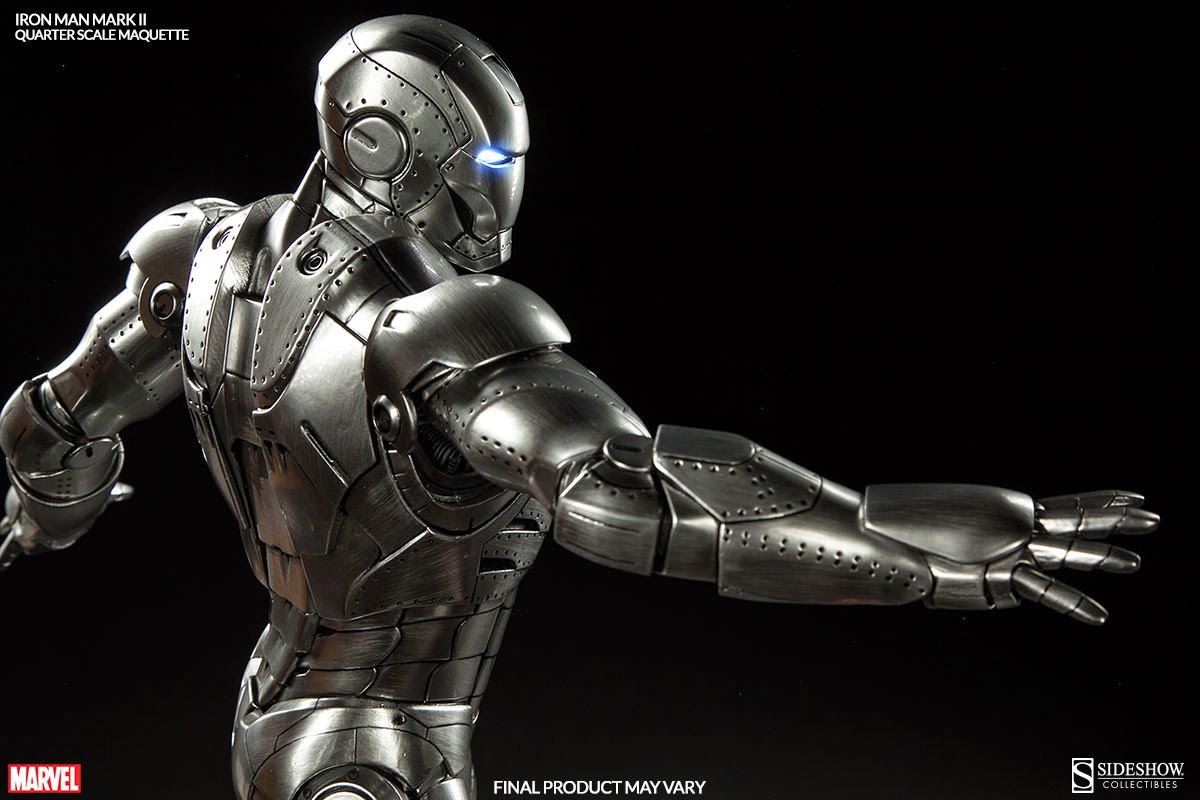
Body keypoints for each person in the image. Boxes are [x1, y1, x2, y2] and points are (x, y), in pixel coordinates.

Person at [0, 15, 1158, 800]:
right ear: (386, 145)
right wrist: (903, 538)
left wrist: (51, 515)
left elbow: (50, 422)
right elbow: (624, 496)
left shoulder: (201, 258)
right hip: (374, 752)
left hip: (276, 697)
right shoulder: (435, 326)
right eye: (479, 167)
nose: (495, 201)